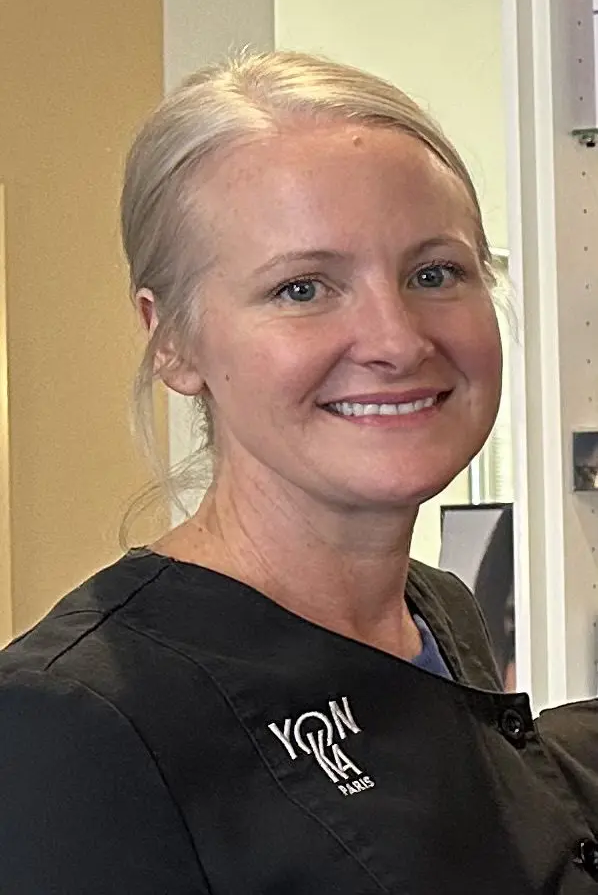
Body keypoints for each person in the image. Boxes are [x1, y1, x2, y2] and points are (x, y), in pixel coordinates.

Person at [1, 51, 597, 895]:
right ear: (170, 338)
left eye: (435, 273)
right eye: (302, 288)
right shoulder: (72, 723)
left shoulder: (436, 613)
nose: (396, 339)